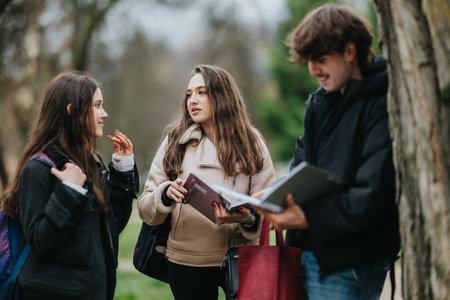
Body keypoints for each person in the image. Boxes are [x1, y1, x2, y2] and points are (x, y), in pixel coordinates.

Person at [255, 4, 400, 300]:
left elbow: (373, 194)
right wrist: (273, 197)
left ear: (349, 51)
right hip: (307, 252)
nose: (312, 70)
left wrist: (306, 217)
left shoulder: (384, 102)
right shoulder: (320, 103)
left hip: (352, 259)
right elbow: (302, 165)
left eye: (320, 59)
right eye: (308, 60)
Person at [138, 64, 276, 299]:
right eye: (189, 94)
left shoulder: (252, 142)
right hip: (187, 262)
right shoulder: (175, 141)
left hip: (242, 259)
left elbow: (270, 207)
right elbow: (145, 208)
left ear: (223, 96)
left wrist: (246, 218)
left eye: (202, 92)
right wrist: (165, 194)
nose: (193, 100)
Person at [0, 71, 139, 299]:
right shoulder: (38, 169)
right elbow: (40, 241)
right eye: (97, 105)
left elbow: (110, 229)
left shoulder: (91, 163)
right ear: (71, 111)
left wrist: (123, 170)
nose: (104, 113)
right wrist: (68, 193)